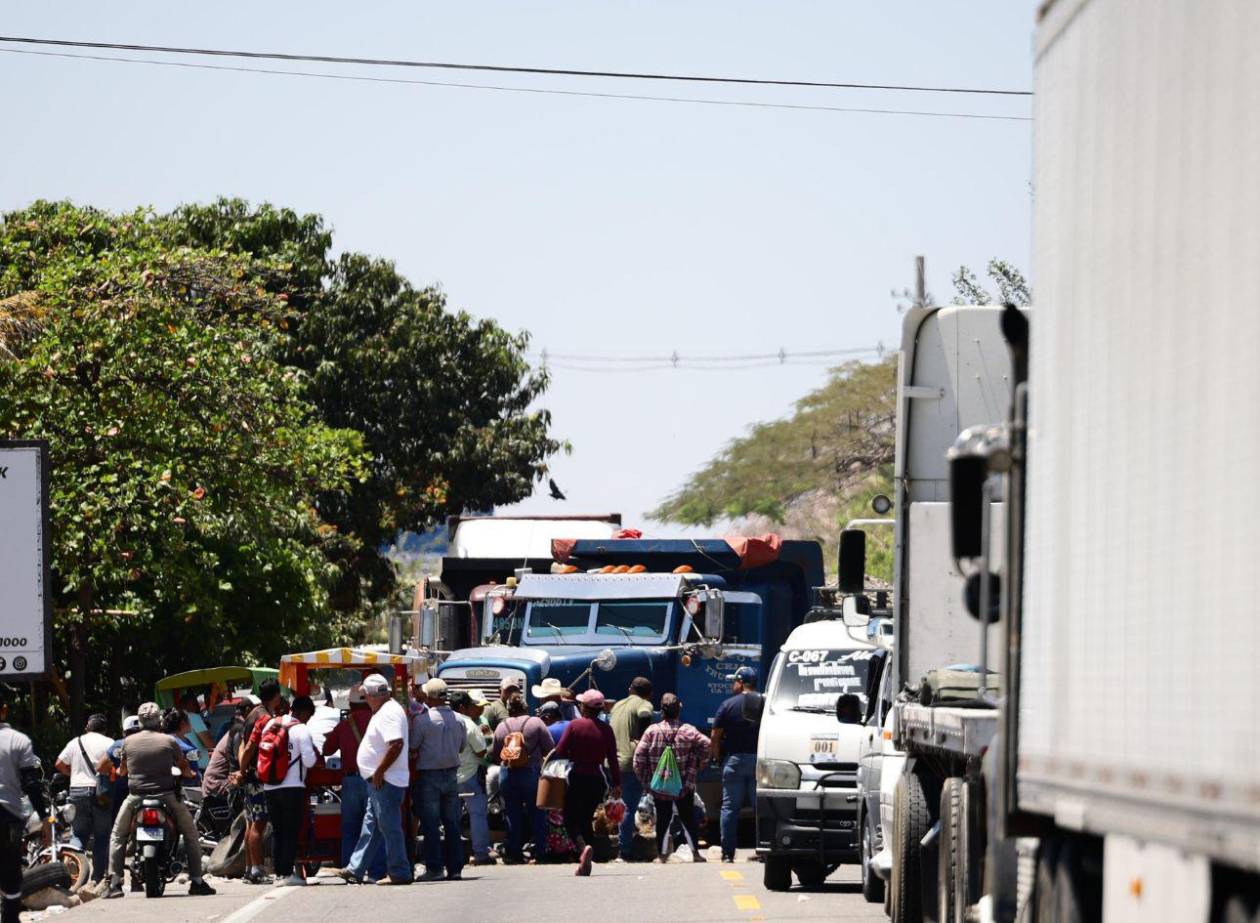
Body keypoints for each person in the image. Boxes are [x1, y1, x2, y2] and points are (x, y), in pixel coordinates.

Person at [104, 702, 215, 899]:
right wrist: (188, 773)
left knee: (117, 835)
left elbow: (122, 771)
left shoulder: (127, 742)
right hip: (167, 795)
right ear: (159, 720)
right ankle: (197, 881)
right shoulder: (169, 741)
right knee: (190, 834)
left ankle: (114, 883)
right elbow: (184, 767)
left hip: (136, 797)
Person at [337, 673, 412, 886]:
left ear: (371, 695)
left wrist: (379, 771)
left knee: (389, 827)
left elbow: (395, 744)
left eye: (367, 696)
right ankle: (356, 869)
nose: (366, 700)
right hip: (380, 780)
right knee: (372, 826)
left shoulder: (388, 713)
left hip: (385, 780)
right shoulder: (386, 710)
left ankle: (399, 872)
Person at [632, 693, 711, 862]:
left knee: (663, 819)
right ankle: (695, 853)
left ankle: (661, 855)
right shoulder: (687, 730)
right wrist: (699, 763)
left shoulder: (652, 731)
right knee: (687, 818)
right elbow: (706, 743)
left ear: (662, 711)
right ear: (678, 711)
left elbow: (638, 758)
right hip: (684, 784)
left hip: (659, 785)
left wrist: (646, 782)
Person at [552, 689, 621, 876]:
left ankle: (583, 849)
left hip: (577, 777)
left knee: (569, 818)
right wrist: (616, 783)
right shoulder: (606, 729)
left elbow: (561, 750)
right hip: (597, 779)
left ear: (584, 707)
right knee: (585, 819)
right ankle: (586, 857)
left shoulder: (574, 726)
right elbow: (613, 759)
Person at [322, 685, 385, 879]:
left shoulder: (344, 725)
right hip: (374, 779)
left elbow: (326, 750)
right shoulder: (378, 721)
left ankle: (350, 868)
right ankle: (377, 871)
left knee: (350, 827)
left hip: (350, 781)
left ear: (350, 703)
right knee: (376, 827)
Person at [410, 679, 465, 882]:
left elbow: (413, 746)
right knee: (452, 823)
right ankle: (455, 868)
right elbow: (461, 747)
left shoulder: (423, 721)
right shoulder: (459, 719)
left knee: (431, 824)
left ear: (429, 697)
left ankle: (434, 868)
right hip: (451, 774)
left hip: (429, 776)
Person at [0, 691, 48, 923]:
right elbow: (31, 783)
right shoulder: (18, 740)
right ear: (4, 710)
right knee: (11, 875)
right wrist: (46, 819)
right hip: (8, 817)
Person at [261, 696, 318, 887]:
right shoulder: (301, 729)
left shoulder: (271, 724)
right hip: (293, 787)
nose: (307, 720)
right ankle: (287, 874)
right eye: (308, 716)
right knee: (291, 831)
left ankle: (279, 874)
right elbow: (310, 761)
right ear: (303, 712)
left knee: (278, 831)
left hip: (269, 786)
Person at [55, 714, 114, 888]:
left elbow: (59, 763)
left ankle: (73, 873)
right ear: (104, 729)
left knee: (78, 834)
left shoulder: (75, 742)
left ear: (88, 727)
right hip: (100, 793)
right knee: (102, 836)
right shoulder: (109, 742)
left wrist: (71, 773)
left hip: (77, 791)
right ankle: (96, 879)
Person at [490, 693, 550, 865]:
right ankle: (540, 853)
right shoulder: (536, 723)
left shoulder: (502, 726)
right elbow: (550, 747)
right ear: (525, 707)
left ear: (508, 709)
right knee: (537, 813)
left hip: (507, 773)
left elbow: (495, 754)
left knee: (511, 813)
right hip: (530, 773)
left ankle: (513, 852)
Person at [711, 666, 763, 863]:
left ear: (741, 682)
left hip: (733, 761)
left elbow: (715, 737)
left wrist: (716, 759)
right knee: (762, 808)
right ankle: (763, 850)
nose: (732, 684)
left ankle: (727, 854)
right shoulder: (764, 704)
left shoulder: (727, 705)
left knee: (730, 808)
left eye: (734, 681)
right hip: (759, 761)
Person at [238, 678, 283, 884]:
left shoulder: (252, 714)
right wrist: (245, 767)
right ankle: (257, 870)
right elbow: (250, 747)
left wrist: (242, 770)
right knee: (259, 824)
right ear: (277, 696)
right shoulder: (264, 718)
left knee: (250, 823)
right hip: (259, 777)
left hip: (250, 777)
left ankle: (250, 869)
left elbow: (243, 744)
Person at [609, 676, 654, 861]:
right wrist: (643, 736)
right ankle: (624, 850)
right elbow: (644, 714)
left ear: (630, 689)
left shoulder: (618, 705)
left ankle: (620, 839)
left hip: (612, 761)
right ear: (649, 694)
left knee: (618, 804)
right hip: (630, 761)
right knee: (629, 807)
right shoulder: (644, 704)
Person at [450, 690, 495, 866]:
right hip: (470, 774)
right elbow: (481, 750)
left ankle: (453, 853)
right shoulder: (468, 724)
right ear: (463, 707)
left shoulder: (444, 721)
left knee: (450, 816)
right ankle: (481, 853)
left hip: (449, 775)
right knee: (477, 814)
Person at [179, 693, 214, 770]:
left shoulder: (175, 720)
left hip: (184, 767)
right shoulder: (193, 717)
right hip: (199, 767)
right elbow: (210, 744)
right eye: (195, 704)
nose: (197, 707)